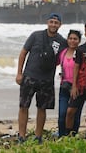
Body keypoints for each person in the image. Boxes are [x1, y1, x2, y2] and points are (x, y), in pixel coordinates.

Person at [15, 13, 67, 144]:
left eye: (56, 22)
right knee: (23, 106)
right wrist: (19, 73)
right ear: (47, 23)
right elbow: (23, 53)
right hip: (29, 76)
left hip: (47, 80)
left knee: (42, 108)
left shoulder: (62, 41)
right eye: (51, 22)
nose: (53, 25)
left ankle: (38, 137)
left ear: (60, 25)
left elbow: (67, 58)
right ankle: (22, 136)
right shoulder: (35, 35)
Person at [57, 29, 83, 137]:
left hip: (77, 88)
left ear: (79, 40)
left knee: (75, 114)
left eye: (75, 39)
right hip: (64, 86)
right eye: (70, 38)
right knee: (63, 113)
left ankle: (73, 136)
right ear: (67, 39)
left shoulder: (81, 53)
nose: (72, 41)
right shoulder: (63, 53)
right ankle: (61, 135)